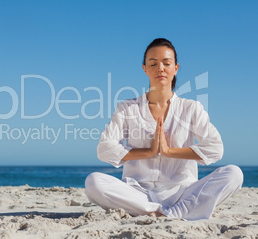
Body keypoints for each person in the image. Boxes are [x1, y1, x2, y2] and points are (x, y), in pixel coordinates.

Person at [85, 38, 243, 221]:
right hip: (137, 193)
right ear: (145, 68)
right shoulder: (127, 108)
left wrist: (169, 151)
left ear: (175, 68)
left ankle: (168, 213)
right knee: (93, 182)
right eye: (153, 63)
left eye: (166, 63)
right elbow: (104, 149)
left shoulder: (191, 108)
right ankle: (159, 211)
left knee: (234, 174)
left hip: (182, 193)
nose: (160, 68)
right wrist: (149, 151)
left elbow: (216, 148)